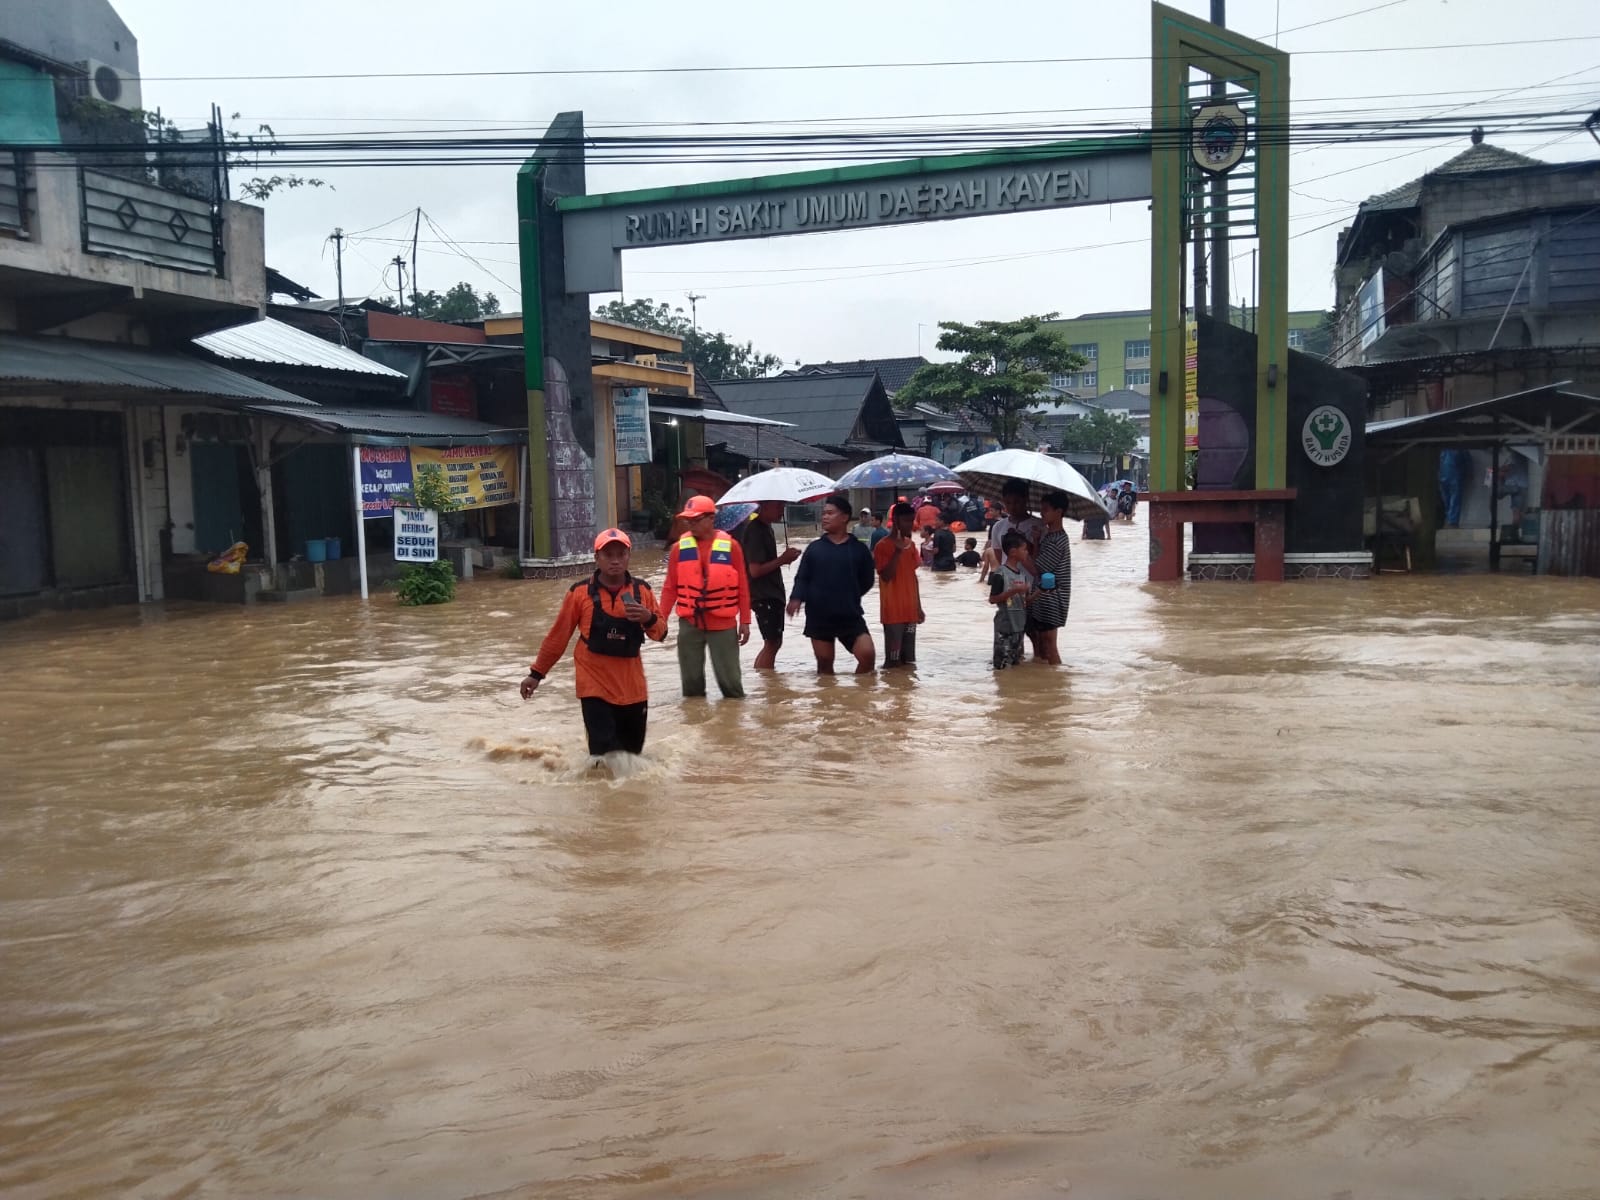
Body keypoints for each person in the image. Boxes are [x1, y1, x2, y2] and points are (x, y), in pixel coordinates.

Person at [520, 528, 668, 758]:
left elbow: (661, 634)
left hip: (632, 689)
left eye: (621, 554)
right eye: (608, 555)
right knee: (603, 754)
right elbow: (558, 636)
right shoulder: (579, 593)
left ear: (629, 556)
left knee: (632, 755)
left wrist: (647, 618)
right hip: (594, 686)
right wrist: (536, 674)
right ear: (596, 557)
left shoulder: (643, 591)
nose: (616, 561)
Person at [660, 495, 751, 699]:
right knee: (691, 687)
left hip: (723, 624)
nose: (691, 525)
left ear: (711, 519)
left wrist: (745, 620)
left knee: (731, 685)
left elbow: (743, 585)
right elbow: (670, 588)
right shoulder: (678, 549)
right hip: (689, 623)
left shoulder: (732, 547)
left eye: (696, 520)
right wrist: (660, 619)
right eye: (688, 521)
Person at [787, 492, 876, 675]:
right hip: (819, 616)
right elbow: (802, 577)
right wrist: (796, 598)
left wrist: (849, 593)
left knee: (867, 656)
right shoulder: (814, 548)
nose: (825, 517)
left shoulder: (858, 549)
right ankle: (827, 702)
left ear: (844, 517)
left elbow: (867, 580)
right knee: (825, 665)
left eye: (830, 513)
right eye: (824, 513)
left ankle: (859, 700)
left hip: (850, 615)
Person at [740, 500, 800, 671]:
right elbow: (755, 570)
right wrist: (783, 559)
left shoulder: (767, 528)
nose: (782, 510)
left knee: (774, 642)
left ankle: (766, 682)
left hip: (771, 593)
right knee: (772, 643)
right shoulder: (755, 530)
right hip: (763, 595)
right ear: (765, 506)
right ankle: (767, 684)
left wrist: (785, 559)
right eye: (778, 506)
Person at [873, 500, 925, 668]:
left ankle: (906, 691)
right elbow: (886, 576)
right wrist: (897, 552)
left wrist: (918, 606)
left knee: (909, 660)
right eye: (906, 521)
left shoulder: (911, 546)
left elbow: (913, 577)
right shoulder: (882, 546)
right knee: (893, 660)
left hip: (910, 609)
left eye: (912, 520)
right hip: (893, 611)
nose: (910, 525)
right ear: (895, 521)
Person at [1026, 490, 1073, 666]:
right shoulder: (1049, 536)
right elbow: (1039, 562)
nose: (1042, 513)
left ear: (1058, 512)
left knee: (1049, 644)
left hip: (1053, 597)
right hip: (1043, 595)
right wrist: (1036, 542)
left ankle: (1057, 679)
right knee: (1040, 640)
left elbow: (1038, 568)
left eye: (1046, 509)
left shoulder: (1058, 539)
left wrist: (1020, 554)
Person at [988, 531, 1033, 670]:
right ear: (1013, 552)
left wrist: (1041, 592)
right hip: (1005, 626)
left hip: (1019, 626)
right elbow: (992, 599)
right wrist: (1014, 591)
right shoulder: (1000, 574)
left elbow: (1026, 601)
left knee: (1015, 664)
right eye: (1024, 549)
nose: (1026, 553)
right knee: (1002, 666)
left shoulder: (1022, 576)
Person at [983, 478, 1044, 578]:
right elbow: (1000, 557)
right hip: (1008, 582)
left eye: (1017, 502)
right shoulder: (998, 527)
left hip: (1031, 582)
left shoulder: (1039, 526)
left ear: (1025, 500)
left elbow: (1040, 558)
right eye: (1008, 503)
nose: (1012, 507)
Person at [1437, 448, 1470, 529]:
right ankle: (1451, 521)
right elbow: (1467, 462)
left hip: (1448, 477)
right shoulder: (1459, 449)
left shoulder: (1444, 450)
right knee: (1451, 500)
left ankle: (1451, 521)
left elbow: (1467, 462)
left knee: (1451, 500)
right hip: (1450, 477)